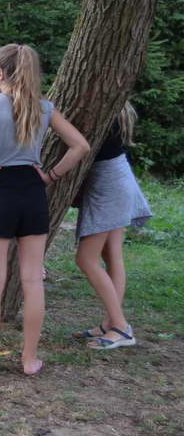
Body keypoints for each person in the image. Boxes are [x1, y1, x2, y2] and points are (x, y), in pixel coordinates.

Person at [0, 43, 89, 376]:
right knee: (32, 280)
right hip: (33, 192)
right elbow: (80, 146)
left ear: (2, 73)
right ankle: (30, 360)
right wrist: (51, 176)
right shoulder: (44, 108)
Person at [73, 101, 151, 350]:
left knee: (86, 259)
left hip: (109, 185)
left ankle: (120, 326)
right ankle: (111, 323)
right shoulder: (115, 107)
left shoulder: (100, 110)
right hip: (117, 177)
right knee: (111, 255)